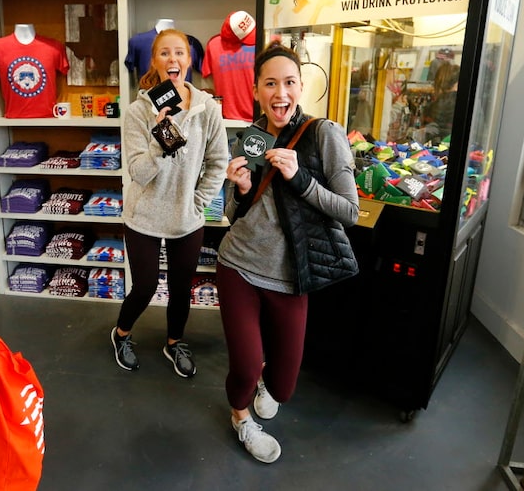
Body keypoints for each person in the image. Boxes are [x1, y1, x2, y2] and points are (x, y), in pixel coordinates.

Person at [217, 41, 359, 462]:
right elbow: (230, 213)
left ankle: (263, 386)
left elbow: (350, 210)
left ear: (302, 86)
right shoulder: (253, 137)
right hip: (237, 264)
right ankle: (240, 417)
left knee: (283, 386)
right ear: (257, 89)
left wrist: (301, 180)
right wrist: (240, 189)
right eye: (270, 84)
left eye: (290, 82)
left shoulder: (324, 135)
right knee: (244, 367)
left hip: (290, 275)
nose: (280, 93)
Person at [111, 29, 228, 377]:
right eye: (164, 53)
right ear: (155, 62)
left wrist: (199, 202)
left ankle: (174, 342)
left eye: (179, 53)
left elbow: (219, 161)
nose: (172, 59)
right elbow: (138, 172)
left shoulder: (208, 109)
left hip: (186, 217)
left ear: (189, 61)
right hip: (144, 214)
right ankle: (121, 333)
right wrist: (161, 141)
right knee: (145, 287)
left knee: (181, 289)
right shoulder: (138, 112)